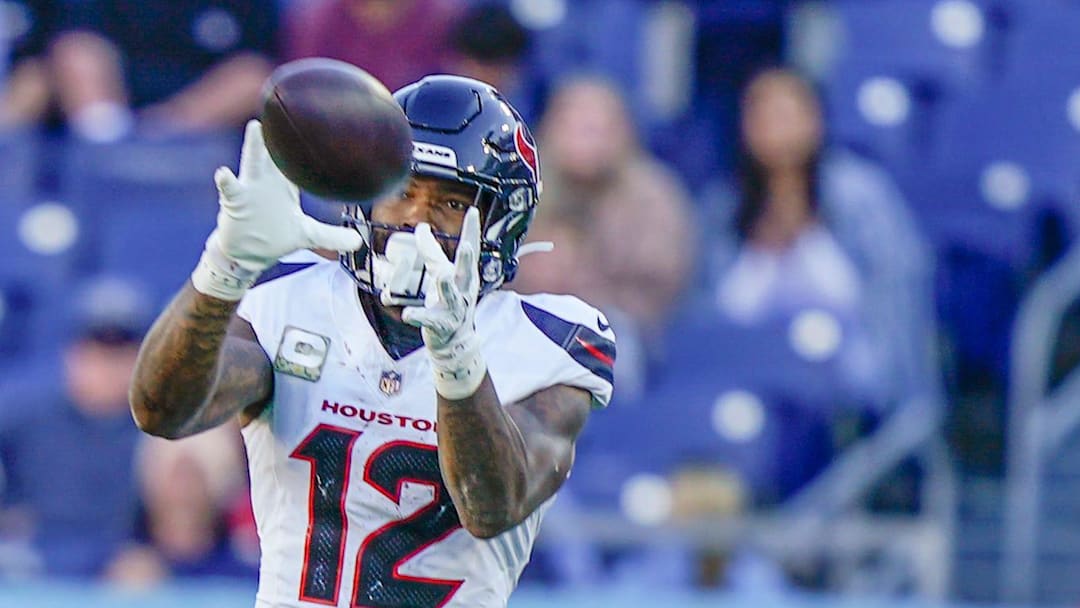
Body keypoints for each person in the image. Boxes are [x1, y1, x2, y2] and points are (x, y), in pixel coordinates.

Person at [129, 75, 615, 607]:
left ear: (503, 221)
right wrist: (225, 266)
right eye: (402, 191)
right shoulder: (290, 297)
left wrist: (455, 356)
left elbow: (491, 505)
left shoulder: (549, 340)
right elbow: (162, 410)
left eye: (451, 203)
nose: (416, 220)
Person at [0, 275, 151, 577]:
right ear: (72, 355)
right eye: (96, 352)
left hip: (125, 569)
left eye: (120, 353)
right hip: (31, 562)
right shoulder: (22, 419)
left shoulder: (165, 430)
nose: (107, 366)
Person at [49, 0, 278, 141]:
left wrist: (169, 126)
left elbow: (257, 71)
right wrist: (105, 127)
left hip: (205, 149)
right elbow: (76, 46)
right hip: (110, 138)